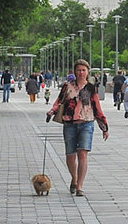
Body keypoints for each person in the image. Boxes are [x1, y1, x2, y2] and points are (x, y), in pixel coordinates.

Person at [46, 59, 110, 196]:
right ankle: (74, 179)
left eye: (83, 70)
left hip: (86, 123)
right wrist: (52, 111)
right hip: (69, 124)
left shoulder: (91, 88)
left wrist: (104, 127)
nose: (81, 73)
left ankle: (80, 186)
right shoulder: (67, 86)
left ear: (87, 72)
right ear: (75, 72)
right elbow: (59, 101)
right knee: (70, 156)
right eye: (79, 70)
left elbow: (97, 108)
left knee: (83, 154)